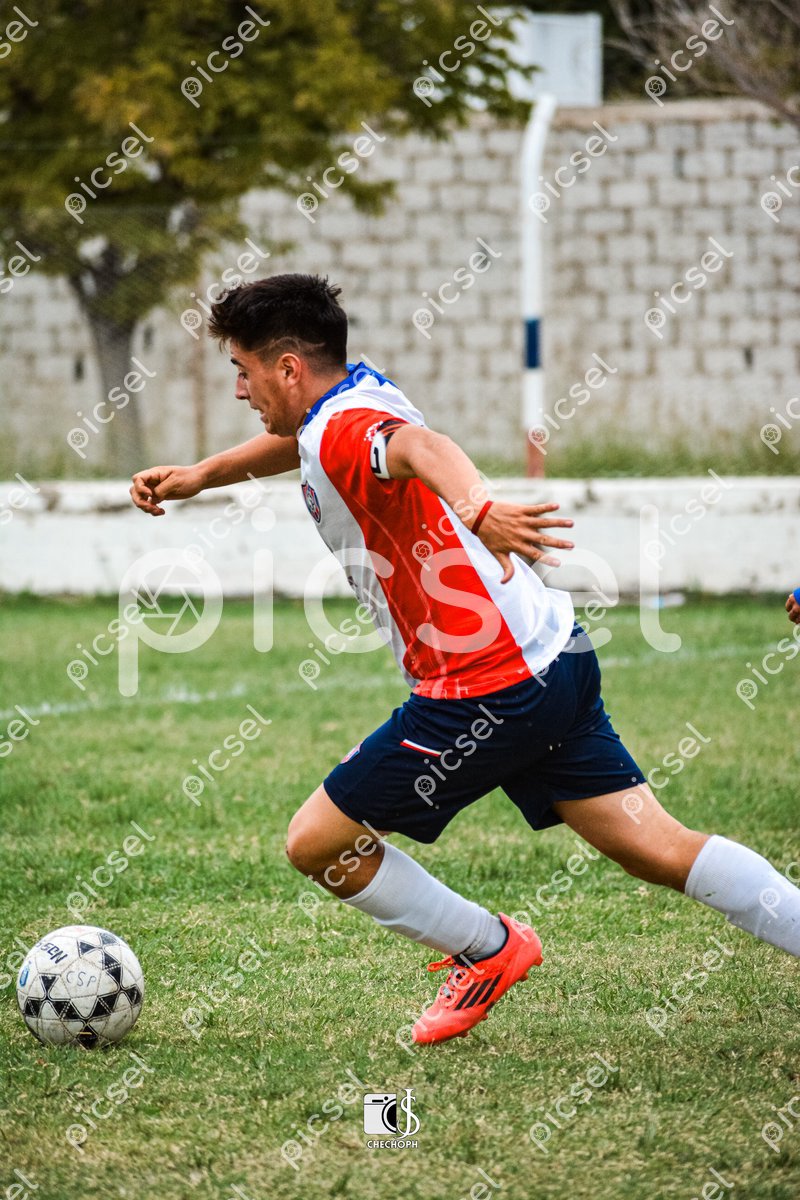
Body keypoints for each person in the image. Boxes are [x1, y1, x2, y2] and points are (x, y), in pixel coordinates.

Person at [130, 274, 800, 1045]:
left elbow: (421, 448)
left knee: (319, 843)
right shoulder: (351, 396)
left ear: (287, 368)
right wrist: (202, 476)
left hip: (486, 691)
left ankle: (488, 948)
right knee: (659, 848)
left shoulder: (348, 429)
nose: (239, 390)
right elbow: (310, 440)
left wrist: (477, 507)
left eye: (243, 371)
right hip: (554, 654)